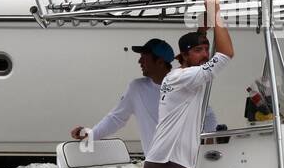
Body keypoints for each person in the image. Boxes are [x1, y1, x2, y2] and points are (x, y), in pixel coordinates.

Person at [143, 0, 233, 168]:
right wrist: (217, 12)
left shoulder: (188, 75)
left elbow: (203, 40)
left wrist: (207, 18)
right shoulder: (185, 77)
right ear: (183, 56)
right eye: (198, 51)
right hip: (168, 165)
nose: (205, 54)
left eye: (206, 49)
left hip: (181, 167)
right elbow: (226, 54)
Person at [70, 38, 216, 147]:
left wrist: (210, 143)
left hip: (189, 162)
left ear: (159, 62)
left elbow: (207, 116)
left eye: (144, 58)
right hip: (159, 165)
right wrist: (91, 134)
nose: (139, 61)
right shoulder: (136, 88)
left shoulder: (184, 84)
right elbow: (116, 118)